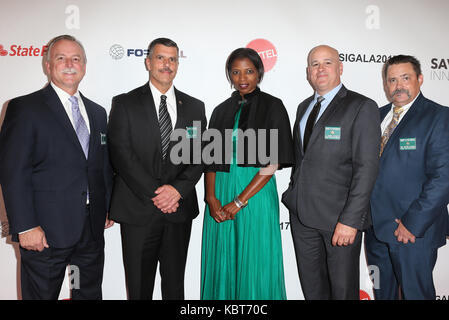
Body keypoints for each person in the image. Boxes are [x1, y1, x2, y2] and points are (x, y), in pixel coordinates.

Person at [0, 35, 113, 300]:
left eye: (76, 59)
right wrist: (25, 226)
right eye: (61, 58)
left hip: (91, 230)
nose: (69, 64)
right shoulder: (23, 108)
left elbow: (102, 166)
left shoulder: (98, 113)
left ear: (84, 66)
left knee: (88, 294)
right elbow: (13, 171)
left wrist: (107, 206)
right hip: (44, 233)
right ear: (48, 65)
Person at [107, 38, 206, 300]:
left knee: (175, 288)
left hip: (178, 211)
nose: (167, 64)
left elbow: (199, 156)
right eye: (161, 58)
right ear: (148, 62)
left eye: (172, 59)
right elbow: (121, 154)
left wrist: (177, 191)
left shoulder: (195, 107)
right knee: (139, 289)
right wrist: (157, 194)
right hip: (138, 210)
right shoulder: (125, 103)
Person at [282, 45, 380, 300]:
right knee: (313, 290)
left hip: (339, 220)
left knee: (342, 291)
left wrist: (350, 221)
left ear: (340, 67)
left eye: (327, 62)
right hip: (302, 217)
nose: (320, 69)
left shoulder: (361, 106)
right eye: (315, 64)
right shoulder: (303, 107)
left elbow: (366, 168)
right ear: (308, 72)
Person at [201, 47, 294, 300]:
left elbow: (272, 163)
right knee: (223, 256)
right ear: (229, 75)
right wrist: (211, 198)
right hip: (220, 192)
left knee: (255, 258)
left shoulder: (273, 106)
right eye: (236, 71)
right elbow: (211, 160)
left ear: (259, 73)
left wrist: (240, 201)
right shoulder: (220, 110)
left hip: (255, 195)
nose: (242, 77)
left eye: (249, 71)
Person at [365, 55, 449, 300]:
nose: (398, 85)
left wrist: (413, 222)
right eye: (392, 80)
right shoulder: (376, 116)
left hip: (412, 231)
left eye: (405, 78)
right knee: (384, 295)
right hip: (375, 229)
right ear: (385, 84)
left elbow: (443, 177)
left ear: (420, 79)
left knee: (416, 295)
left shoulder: (439, 116)